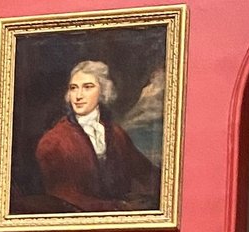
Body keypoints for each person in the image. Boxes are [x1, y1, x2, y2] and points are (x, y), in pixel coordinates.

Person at [34, 60, 161, 213]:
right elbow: (64, 194)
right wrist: (118, 207)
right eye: (73, 88)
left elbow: (145, 172)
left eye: (87, 87)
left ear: (103, 91)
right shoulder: (53, 141)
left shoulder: (115, 133)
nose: (78, 96)